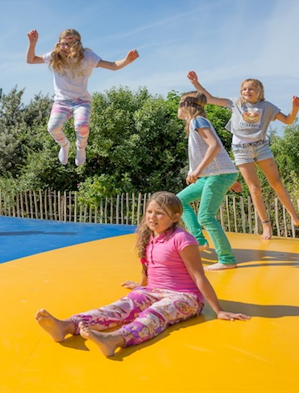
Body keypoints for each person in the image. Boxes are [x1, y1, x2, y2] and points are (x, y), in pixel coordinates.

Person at [35, 191, 250, 357]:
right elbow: (148, 264)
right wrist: (141, 285)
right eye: (150, 212)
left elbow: (198, 276)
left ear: (175, 217)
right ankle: (66, 326)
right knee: (120, 307)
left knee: (156, 313)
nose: (152, 217)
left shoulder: (183, 239)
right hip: (153, 290)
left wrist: (219, 310)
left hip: (184, 297)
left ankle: (116, 339)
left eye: (159, 213)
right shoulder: (148, 236)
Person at [187, 71, 299, 240]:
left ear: (259, 92)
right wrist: (196, 83)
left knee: (276, 182)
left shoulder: (267, 106)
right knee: (254, 188)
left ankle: (295, 218)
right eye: (244, 89)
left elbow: (288, 120)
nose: (246, 91)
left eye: (251, 89)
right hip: (241, 149)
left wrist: (295, 108)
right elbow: (209, 99)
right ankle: (266, 225)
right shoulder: (235, 103)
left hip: (261, 147)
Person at [26, 28, 139, 166]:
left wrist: (127, 60)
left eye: (69, 45)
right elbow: (30, 60)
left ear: (77, 44)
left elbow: (112, 66)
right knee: (53, 127)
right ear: (59, 44)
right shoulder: (55, 56)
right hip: (62, 102)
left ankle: (81, 147)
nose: (65, 48)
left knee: (81, 125)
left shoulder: (87, 56)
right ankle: (64, 145)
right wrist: (32, 43)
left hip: (81, 101)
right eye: (63, 44)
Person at [176, 91, 240, 271]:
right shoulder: (194, 124)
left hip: (216, 176)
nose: (177, 108)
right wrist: (228, 176)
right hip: (215, 175)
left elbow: (214, 145)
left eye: (179, 104)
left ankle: (227, 259)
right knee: (179, 201)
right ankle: (198, 240)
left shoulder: (198, 121)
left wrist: (197, 170)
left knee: (205, 216)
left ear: (186, 105)